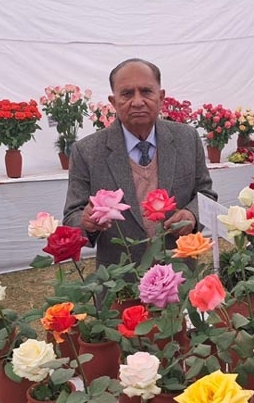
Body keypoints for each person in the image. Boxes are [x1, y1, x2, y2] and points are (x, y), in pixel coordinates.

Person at [63, 58, 217, 267]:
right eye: (127, 93)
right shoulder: (87, 151)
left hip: (179, 272)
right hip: (120, 276)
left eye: (146, 91)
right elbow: (72, 216)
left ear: (161, 97)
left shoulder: (186, 139)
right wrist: (85, 221)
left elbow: (205, 194)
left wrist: (192, 215)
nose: (137, 102)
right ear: (113, 101)